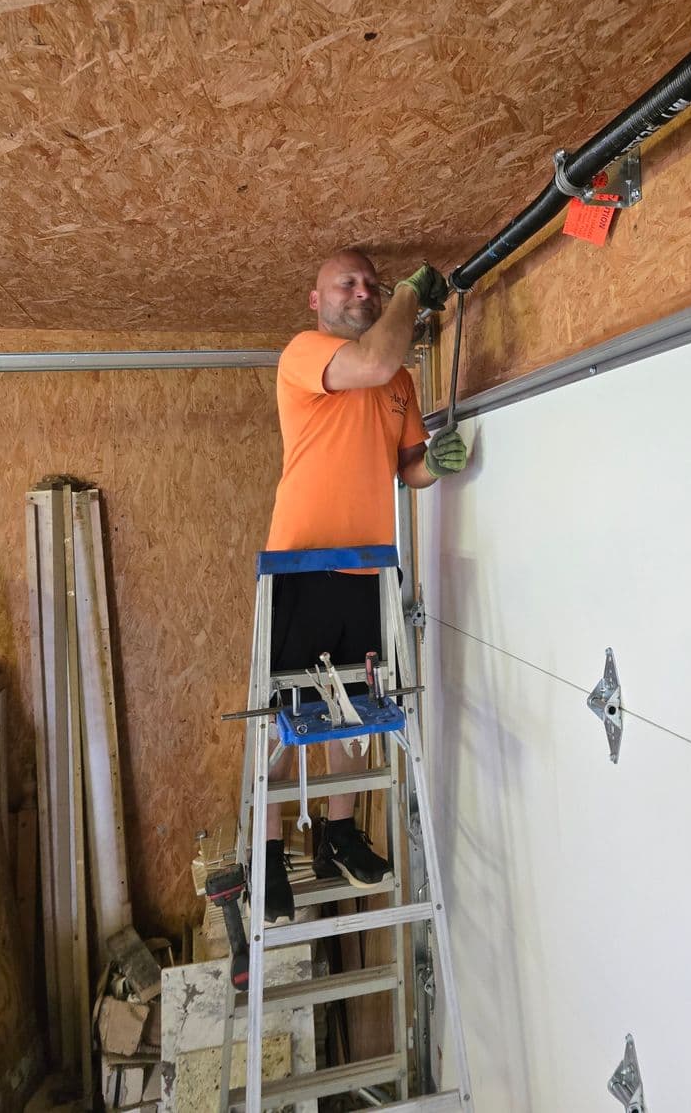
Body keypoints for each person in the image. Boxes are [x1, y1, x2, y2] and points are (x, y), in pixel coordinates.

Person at [262, 248, 468, 921]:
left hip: (368, 566)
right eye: (347, 284)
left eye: (373, 286)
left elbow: (406, 466)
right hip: (298, 564)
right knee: (282, 718)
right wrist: (412, 292)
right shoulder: (306, 351)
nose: (363, 292)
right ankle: (268, 858)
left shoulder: (399, 381)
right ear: (315, 299)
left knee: (354, 713)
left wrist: (434, 463)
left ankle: (339, 833)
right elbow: (374, 360)